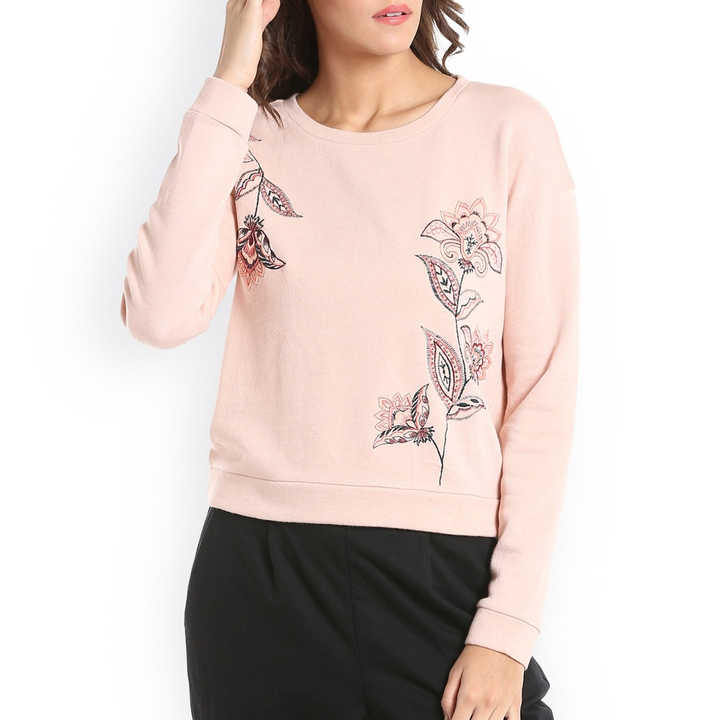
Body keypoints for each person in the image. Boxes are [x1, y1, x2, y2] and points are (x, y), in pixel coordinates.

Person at [120, 1, 579, 718]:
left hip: (442, 576)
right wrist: (231, 82)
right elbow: (157, 313)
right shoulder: (251, 139)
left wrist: (508, 629)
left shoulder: (507, 131)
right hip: (257, 579)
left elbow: (541, 396)